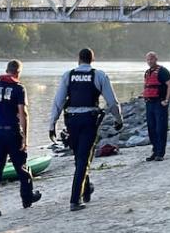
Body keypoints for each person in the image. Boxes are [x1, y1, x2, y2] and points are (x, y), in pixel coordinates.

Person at [48, 48, 123, 212]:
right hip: (89, 121)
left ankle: (86, 189)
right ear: (92, 59)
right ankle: (75, 199)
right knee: (83, 159)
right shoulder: (99, 75)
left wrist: (52, 124)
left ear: (78, 59)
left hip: (71, 121)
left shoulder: (68, 75)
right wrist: (119, 120)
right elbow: (112, 102)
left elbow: (58, 101)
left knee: (79, 157)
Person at [0, 60, 41, 219]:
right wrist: (25, 137)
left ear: (6, 70)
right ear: (18, 72)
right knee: (21, 166)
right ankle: (27, 198)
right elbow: (23, 114)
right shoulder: (19, 88)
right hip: (12, 132)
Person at [143, 51, 170, 162]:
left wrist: (166, 100)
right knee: (151, 129)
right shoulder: (147, 72)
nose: (149, 61)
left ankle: (160, 153)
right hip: (149, 104)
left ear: (156, 59)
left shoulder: (162, 71)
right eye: (147, 59)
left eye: (151, 59)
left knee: (160, 128)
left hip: (159, 103)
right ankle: (155, 151)